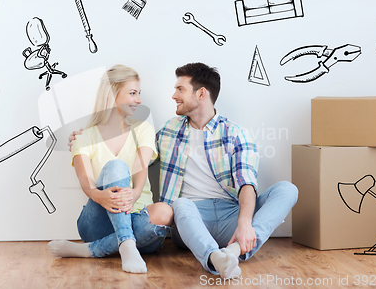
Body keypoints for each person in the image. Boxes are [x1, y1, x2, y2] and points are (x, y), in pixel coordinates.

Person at [68, 62, 298, 279]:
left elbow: (247, 182)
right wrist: (83, 139)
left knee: (287, 189)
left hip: (231, 215)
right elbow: (130, 151)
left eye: (180, 89)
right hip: (190, 217)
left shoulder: (235, 133)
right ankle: (212, 256)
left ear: (201, 94)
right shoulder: (168, 131)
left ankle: (234, 250)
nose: (173, 95)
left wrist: (244, 223)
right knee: (179, 204)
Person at [50, 65, 173, 274]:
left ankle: (90, 250)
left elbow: (140, 169)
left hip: (139, 216)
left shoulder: (143, 129)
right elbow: (87, 184)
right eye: (132, 93)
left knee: (166, 212)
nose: (139, 100)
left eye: (139, 93)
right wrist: (99, 196)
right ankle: (126, 242)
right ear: (112, 94)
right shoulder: (84, 137)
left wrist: (133, 195)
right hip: (99, 221)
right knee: (116, 167)